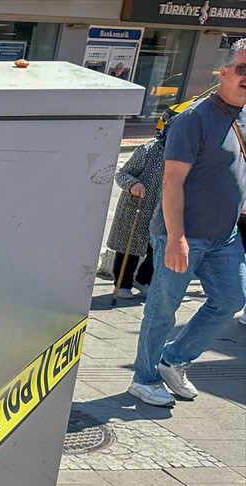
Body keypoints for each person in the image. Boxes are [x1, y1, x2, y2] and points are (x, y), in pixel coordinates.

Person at [128, 39, 246, 408]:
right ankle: (143, 379)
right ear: (223, 72)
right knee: (163, 310)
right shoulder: (193, 119)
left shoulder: (242, 117)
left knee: (230, 300)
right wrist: (176, 237)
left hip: (224, 237)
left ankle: (173, 359)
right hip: (184, 235)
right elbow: (172, 182)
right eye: (242, 69)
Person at [106, 131, 166, 299]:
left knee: (159, 247)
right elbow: (122, 173)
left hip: (163, 208)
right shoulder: (149, 149)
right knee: (129, 246)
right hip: (137, 206)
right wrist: (134, 184)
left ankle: (142, 279)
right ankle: (122, 284)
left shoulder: (185, 153)